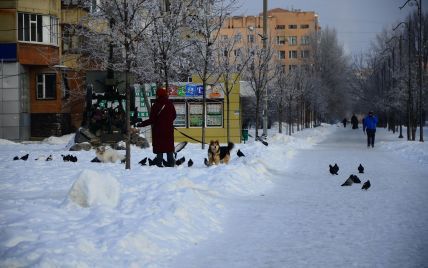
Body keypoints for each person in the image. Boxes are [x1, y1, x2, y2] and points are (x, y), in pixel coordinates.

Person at [137, 88, 176, 167]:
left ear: (158, 95)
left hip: (158, 130)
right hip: (168, 130)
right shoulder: (170, 104)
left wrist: (141, 124)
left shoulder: (156, 105)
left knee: (160, 147)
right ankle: (171, 163)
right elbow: (174, 116)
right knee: (169, 147)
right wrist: (168, 122)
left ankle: (158, 163)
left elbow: (152, 119)